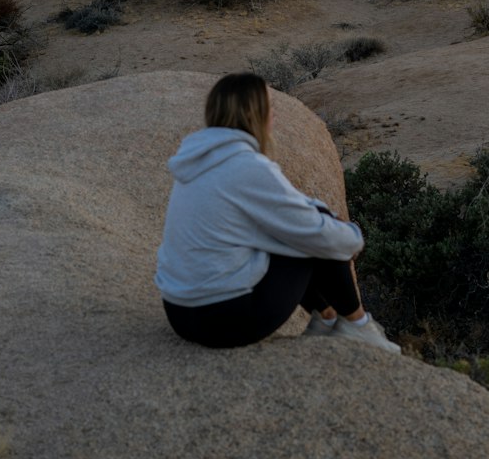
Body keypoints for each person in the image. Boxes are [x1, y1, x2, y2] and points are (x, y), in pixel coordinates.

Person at [155, 72, 400, 354]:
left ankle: (328, 318)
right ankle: (357, 326)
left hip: (180, 314)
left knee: (302, 227)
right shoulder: (247, 166)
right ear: (253, 113)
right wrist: (354, 238)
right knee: (316, 236)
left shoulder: (196, 160)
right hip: (224, 321)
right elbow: (315, 231)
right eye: (270, 106)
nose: (275, 114)